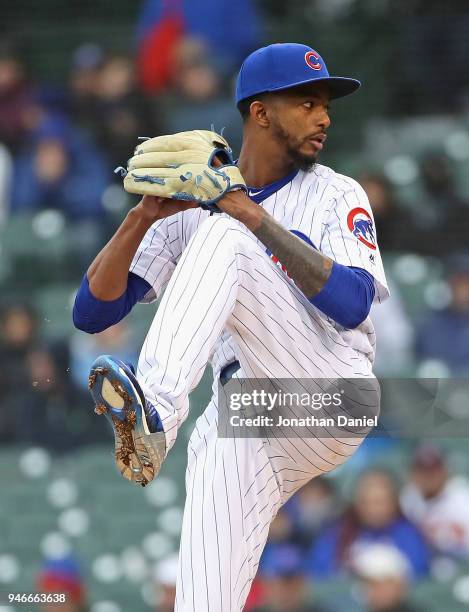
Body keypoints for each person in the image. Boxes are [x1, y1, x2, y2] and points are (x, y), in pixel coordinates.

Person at [73, 43, 389, 610]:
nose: (324, 116)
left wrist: (249, 214)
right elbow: (92, 313)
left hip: (331, 391)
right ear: (261, 112)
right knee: (203, 599)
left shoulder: (335, 191)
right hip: (243, 414)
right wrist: (141, 216)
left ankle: (158, 412)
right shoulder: (197, 204)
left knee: (226, 234)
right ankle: (158, 423)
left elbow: (356, 304)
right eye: (308, 102)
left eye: (326, 105)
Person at [307, 470, 429, 578]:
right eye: (366, 502)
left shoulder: (409, 536)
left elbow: (418, 576)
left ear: (394, 502)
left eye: (379, 502)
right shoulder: (338, 535)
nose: (373, 510)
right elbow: (320, 575)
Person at [401, 446, 469, 559]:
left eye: (433, 470)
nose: (428, 477)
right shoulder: (408, 498)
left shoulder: (463, 496)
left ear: (445, 470)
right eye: (422, 471)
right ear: (412, 474)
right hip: (431, 565)